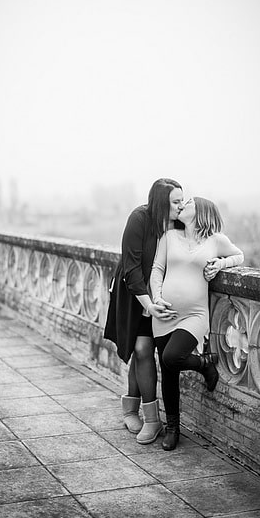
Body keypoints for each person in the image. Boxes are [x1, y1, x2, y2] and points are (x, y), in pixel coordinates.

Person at [149, 196, 244, 450]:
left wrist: (220, 264)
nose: (181, 206)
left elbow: (239, 255)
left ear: (200, 211)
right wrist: (156, 298)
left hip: (195, 315)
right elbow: (157, 269)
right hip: (165, 314)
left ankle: (204, 364)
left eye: (187, 203)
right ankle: (173, 428)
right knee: (167, 371)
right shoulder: (168, 237)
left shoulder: (216, 241)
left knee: (171, 357)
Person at [104, 178, 184, 445]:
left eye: (182, 201)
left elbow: (200, 246)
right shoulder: (139, 219)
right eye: (175, 202)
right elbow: (132, 267)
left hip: (160, 297)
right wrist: (147, 304)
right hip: (133, 294)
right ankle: (152, 419)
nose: (180, 206)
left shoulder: (179, 224)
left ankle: (130, 409)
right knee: (140, 350)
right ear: (162, 203)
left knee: (142, 352)